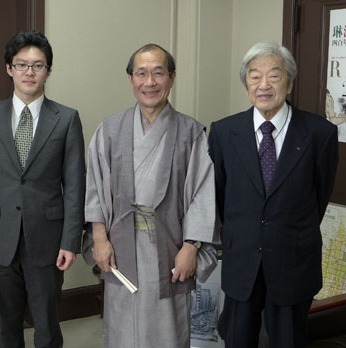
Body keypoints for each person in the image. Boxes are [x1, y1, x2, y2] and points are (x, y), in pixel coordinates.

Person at [84, 43, 218, 348]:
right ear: (130, 79)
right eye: (141, 73)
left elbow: (202, 192)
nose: (150, 82)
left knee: (168, 326)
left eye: (158, 73)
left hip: (170, 245)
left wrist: (191, 247)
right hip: (120, 244)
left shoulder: (191, 132)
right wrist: (100, 239)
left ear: (171, 78)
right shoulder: (110, 129)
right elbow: (94, 187)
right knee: (122, 325)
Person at [208, 40, 339, 348]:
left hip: (294, 260)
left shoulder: (320, 133)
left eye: (274, 75)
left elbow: (318, 198)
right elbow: (219, 196)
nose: (263, 84)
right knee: (237, 339)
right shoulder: (224, 132)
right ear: (246, 84)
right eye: (254, 76)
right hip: (242, 262)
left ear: (289, 82)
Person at [0, 30, 85, 348]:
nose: (29, 72)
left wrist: (71, 241)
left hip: (47, 239)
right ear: (9, 68)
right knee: (6, 326)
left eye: (38, 65)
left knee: (47, 325)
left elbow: (74, 185)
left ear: (48, 71)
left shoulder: (67, 119)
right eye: (21, 65)